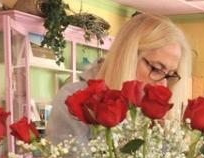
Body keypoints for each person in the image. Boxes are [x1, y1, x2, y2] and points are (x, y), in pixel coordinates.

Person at [45, 13, 193, 144]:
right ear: (127, 57)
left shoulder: (155, 117)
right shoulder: (75, 100)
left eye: (171, 74)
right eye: (156, 68)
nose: (163, 85)